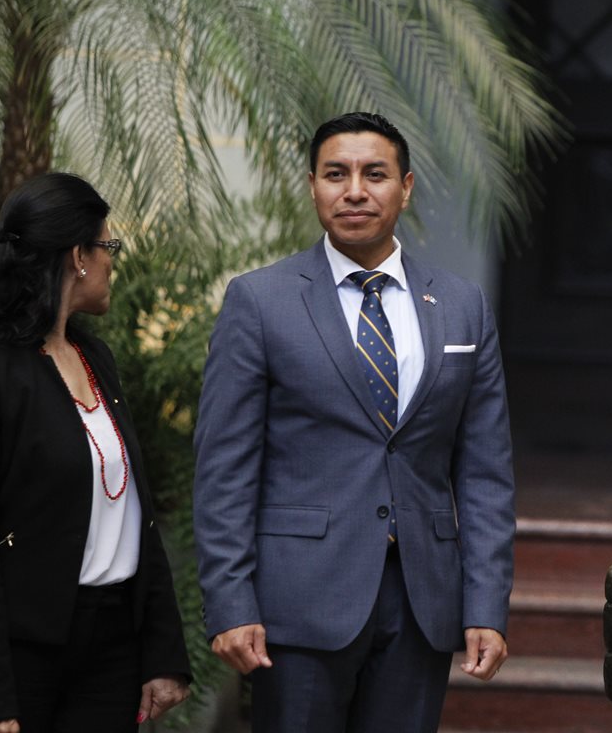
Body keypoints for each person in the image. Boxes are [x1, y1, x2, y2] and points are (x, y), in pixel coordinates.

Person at [193, 111, 516, 732]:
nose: (355, 191)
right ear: (313, 185)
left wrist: (485, 605)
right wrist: (230, 602)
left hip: (422, 600)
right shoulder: (260, 301)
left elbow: (485, 473)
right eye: (336, 174)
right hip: (298, 600)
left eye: (375, 174)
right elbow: (225, 470)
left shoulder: (460, 306)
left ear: (407, 187)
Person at [0, 173, 191, 733]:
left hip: (112, 647)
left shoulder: (95, 355)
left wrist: (163, 652)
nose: (110, 262)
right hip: (22, 654)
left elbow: (135, 514)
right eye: (107, 247)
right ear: (78, 255)